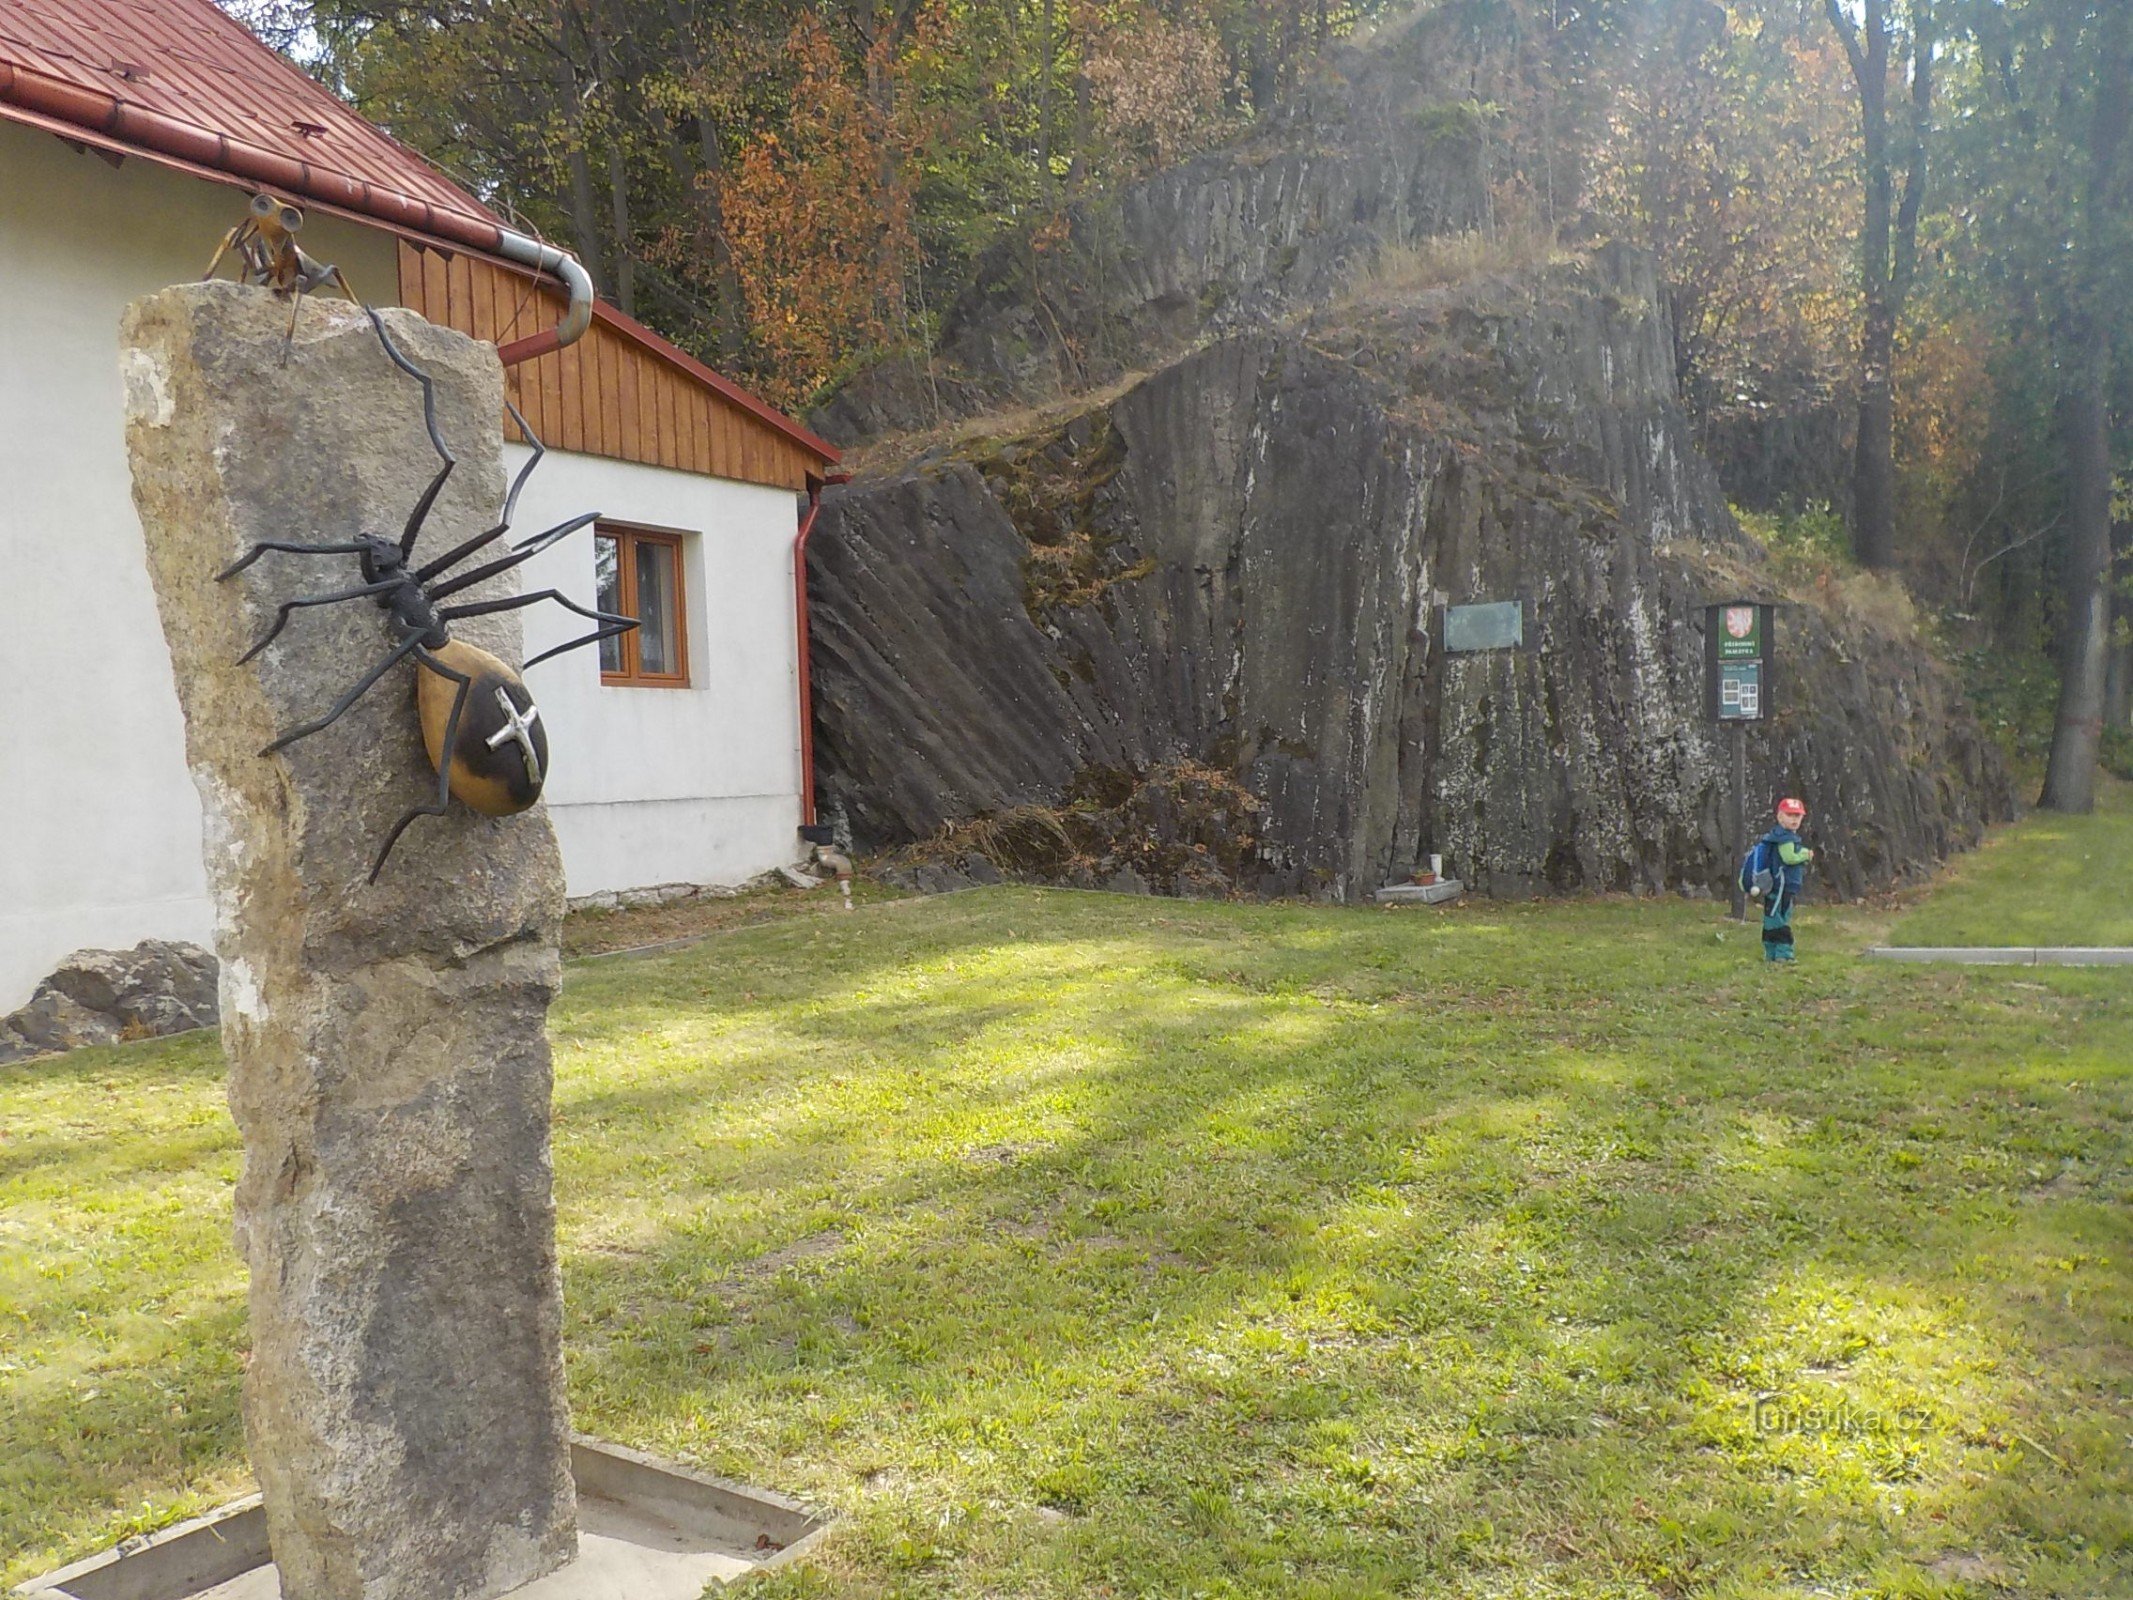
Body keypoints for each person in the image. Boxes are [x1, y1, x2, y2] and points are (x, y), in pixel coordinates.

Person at [1755, 797, 1814, 963]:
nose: (1794, 819)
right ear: (1780, 817)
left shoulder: (1776, 836)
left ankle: (1771, 952)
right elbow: (1789, 858)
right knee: (1781, 917)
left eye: (1798, 816)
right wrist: (1805, 855)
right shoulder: (1786, 838)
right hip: (1782, 886)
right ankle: (1784, 954)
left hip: (1774, 885)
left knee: (1771, 916)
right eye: (1790, 815)